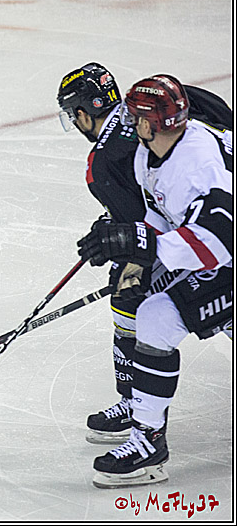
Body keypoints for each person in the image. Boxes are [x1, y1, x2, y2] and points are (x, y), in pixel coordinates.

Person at [77, 74, 233, 488]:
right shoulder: (154, 151)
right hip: (216, 252)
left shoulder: (196, 165)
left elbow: (219, 240)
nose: (126, 123)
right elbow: (162, 218)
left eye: (133, 117)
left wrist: (145, 245)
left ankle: (147, 442)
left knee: (158, 318)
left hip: (225, 252)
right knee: (147, 308)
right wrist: (126, 238)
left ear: (147, 124)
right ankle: (146, 434)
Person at [57, 63, 147, 444]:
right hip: (219, 216)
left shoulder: (103, 161)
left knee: (128, 301)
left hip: (205, 239)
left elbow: (142, 229)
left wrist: (116, 242)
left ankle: (136, 404)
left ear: (82, 112)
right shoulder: (145, 111)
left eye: (72, 115)